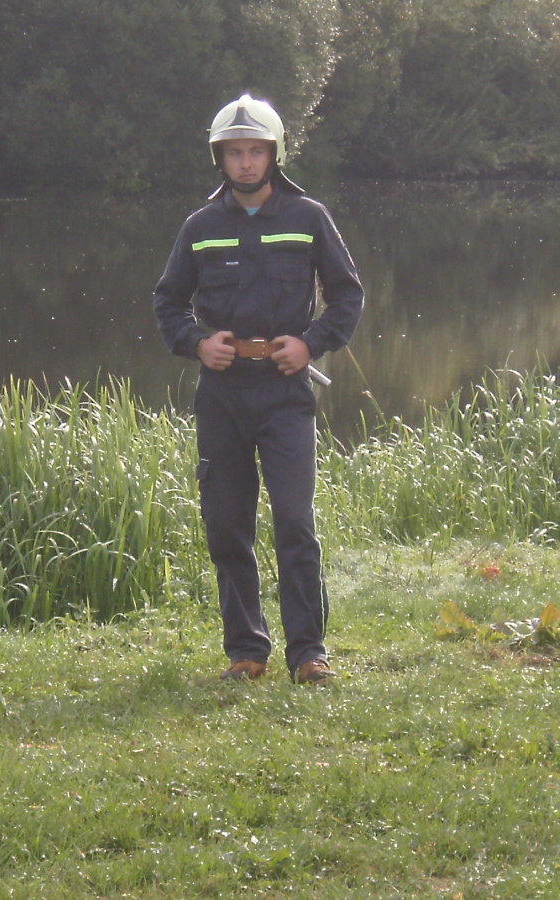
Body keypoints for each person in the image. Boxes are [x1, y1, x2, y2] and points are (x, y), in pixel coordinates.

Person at [153, 94, 364, 685]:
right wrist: (197, 343)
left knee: (294, 521)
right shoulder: (200, 227)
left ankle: (308, 654)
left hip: (284, 391)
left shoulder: (309, 218)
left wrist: (311, 343)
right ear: (219, 159)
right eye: (234, 153)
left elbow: (347, 295)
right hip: (221, 394)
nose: (245, 162)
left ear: (274, 154)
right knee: (227, 524)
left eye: (255, 151)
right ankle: (247, 651)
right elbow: (167, 303)